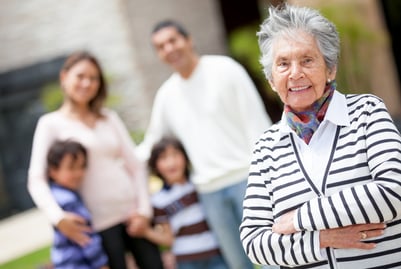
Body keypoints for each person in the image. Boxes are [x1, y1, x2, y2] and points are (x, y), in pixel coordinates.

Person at [240, 3, 401, 268]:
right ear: (271, 80)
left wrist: (300, 219)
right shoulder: (266, 147)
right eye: (283, 64)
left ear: (330, 68)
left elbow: (393, 192)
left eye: (307, 60)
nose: (295, 73)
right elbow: (254, 242)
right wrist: (322, 239)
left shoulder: (367, 112)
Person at [135, 19, 273, 269]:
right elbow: (151, 143)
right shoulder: (167, 95)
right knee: (238, 264)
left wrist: (267, 176)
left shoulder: (226, 70)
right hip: (208, 192)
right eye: (160, 46)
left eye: (172, 40)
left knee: (274, 256)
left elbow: (257, 123)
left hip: (248, 180)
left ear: (189, 40)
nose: (169, 49)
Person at [27, 51, 164, 269]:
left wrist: (144, 211)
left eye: (94, 78)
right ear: (64, 77)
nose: (87, 83)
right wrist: (58, 217)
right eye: (80, 76)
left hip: (133, 216)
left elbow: (136, 166)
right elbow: (36, 179)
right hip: (98, 226)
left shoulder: (109, 118)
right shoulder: (50, 124)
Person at [142, 136, 229, 269]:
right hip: (186, 259)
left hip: (215, 253)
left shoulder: (200, 185)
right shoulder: (158, 200)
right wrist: (145, 232)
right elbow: (168, 238)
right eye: (163, 158)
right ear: (155, 165)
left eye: (175, 155)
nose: (171, 162)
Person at [46, 139, 109, 269]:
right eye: (71, 168)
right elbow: (87, 240)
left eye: (82, 166)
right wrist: (102, 265)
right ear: (53, 171)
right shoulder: (67, 200)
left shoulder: (54, 196)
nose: (78, 173)